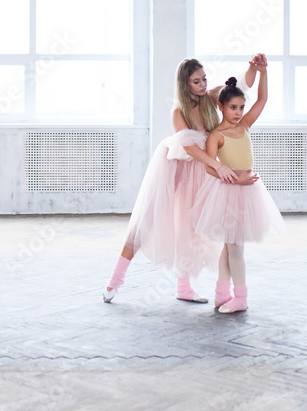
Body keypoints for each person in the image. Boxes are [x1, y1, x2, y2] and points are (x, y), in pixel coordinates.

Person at [104, 55, 265, 303]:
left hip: (202, 170)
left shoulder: (211, 98)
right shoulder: (178, 111)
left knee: (189, 227)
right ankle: (114, 281)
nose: (202, 85)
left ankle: (184, 287)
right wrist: (217, 165)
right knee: (145, 222)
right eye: (196, 81)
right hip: (175, 168)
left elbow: (241, 87)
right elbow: (189, 147)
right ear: (185, 84)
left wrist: (253, 68)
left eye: (204, 79)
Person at [192, 61, 285, 314]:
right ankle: (226, 295)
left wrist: (263, 72)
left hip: (248, 191)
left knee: (234, 246)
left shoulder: (244, 127)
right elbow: (210, 168)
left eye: (241, 107)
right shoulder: (216, 135)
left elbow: (263, 99)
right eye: (233, 107)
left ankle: (237, 297)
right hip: (230, 191)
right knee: (231, 246)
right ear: (220, 107)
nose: (238, 112)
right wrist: (235, 178)